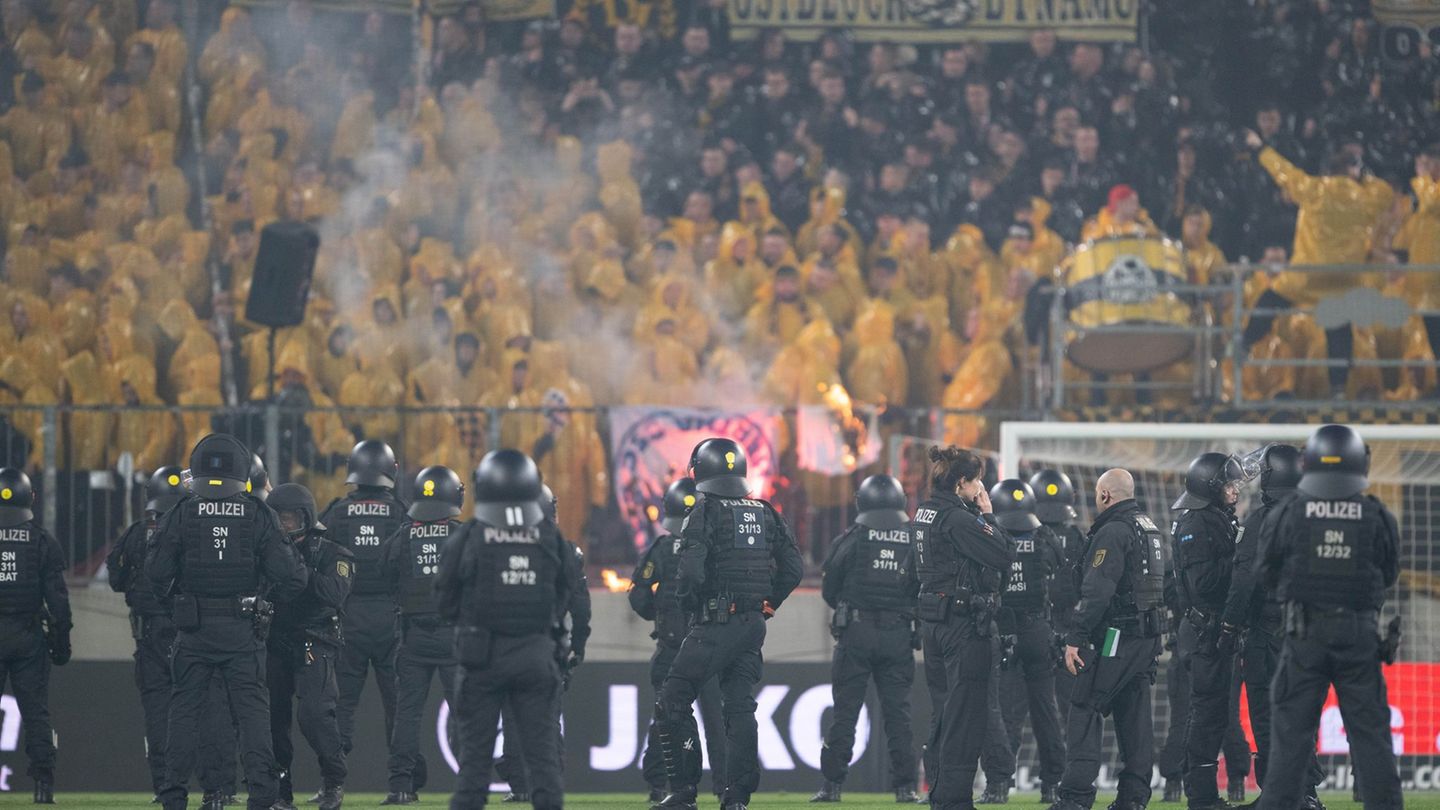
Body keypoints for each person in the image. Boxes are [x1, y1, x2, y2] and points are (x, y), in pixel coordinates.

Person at [146, 434, 308, 810]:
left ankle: (172, 797)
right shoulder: (258, 513)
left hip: (193, 630)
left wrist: (177, 603)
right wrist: (265, 601)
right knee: (253, 714)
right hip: (242, 629)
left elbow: (155, 573)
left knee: (184, 713)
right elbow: (293, 578)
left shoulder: (182, 512)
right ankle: (263, 796)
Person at [652, 438, 804, 810]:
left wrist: (691, 610)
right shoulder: (766, 511)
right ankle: (736, 800)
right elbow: (794, 569)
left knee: (672, 699)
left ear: (699, 472)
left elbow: (689, 574)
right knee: (739, 707)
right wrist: (770, 604)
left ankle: (684, 792)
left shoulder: (704, 513)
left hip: (714, 622)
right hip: (753, 624)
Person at [1257, 424, 1403, 810]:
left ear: (1308, 463)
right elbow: (1389, 574)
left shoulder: (1288, 512)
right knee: (1372, 741)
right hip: (1359, 636)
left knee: (1289, 742)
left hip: (1303, 636)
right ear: (1362, 464)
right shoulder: (1376, 514)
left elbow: (1267, 573)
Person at [437, 449, 569, 810]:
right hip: (535, 655)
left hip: (482, 658)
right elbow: (566, 591)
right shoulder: (548, 536)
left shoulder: (469, 536)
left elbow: (444, 596)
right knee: (543, 765)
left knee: (474, 768)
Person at [1050, 469, 1165, 810]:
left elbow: (1098, 591)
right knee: (1135, 714)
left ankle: (1075, 797)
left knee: (1084, 704)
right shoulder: (1150, 528)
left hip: (1116, 634)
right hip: (1147, 638)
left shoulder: (1113, 531)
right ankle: (1133, 798)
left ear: (1105, 496)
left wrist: (1077, 636)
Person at [1221, 445, 1325, 810]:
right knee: (1302, 715)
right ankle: (1306, 794)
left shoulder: (1261, 519)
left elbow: (1245, 579)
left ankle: (1280, 796)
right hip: (1310, 634)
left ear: (1270, 475)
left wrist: (1230, 623)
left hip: (1268, 634)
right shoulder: (1317, 515)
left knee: (1267, 715)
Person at [914, 446, 1015, 810]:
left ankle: (939, 790)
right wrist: (989, 517)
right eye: (976, 482)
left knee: (944, 712)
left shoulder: (925, 512)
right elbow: (1003, 555)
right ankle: (954, 799)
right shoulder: (958, 519)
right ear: (961, 482)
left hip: (934, 621)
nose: (981, 489)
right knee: (966, 714)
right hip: (962, 625)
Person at [811, 474, 920, 803]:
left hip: (856, 634)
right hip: (899, 635)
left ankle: (831, 787)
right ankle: (905, 788)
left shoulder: (852, 538)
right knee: (898, 714)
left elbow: (829, 590)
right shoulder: (913, 539)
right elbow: (922, 585)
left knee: (845, 712)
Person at [630, 478, 727, 803]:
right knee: (718, 723)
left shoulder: (660, 549)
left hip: (672, 648)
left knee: (665, 721)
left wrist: (659, 615)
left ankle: (659, 786)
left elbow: (639, 596)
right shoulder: (717, 548)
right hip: (709, 648)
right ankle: (724, 788)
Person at [494, 483, 592, 802]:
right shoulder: (567, 553)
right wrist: (578, 645)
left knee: (512, 717)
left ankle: (520, 786)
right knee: (547, 720)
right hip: (548, 646)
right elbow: (580, 607)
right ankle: (549, 785)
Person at [319, 440, 407, 763]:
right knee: (398, 705)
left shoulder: (336, 513)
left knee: (340, 705)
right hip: (391, 619)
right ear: (391, 470)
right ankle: (404, 782)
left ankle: (333, 781)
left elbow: (315, 558)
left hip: (348, 618)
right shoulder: (401, 513)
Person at [382, 465, 465, 806]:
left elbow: (384, 574)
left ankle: (401, 787)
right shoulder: (462, 535)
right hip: (454, 637)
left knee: (407, 714)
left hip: (414, 636)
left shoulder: (402, 536)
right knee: (466, 713)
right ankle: (470, 783)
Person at [265, 483, 352, 810]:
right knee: (272, 720)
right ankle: (280, 793)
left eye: (289, 519)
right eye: (279, 520)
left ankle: (334, 780)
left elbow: (334, 594)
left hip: (315, 641)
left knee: (314, 715)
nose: (284, 526)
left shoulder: (331, 552)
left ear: (304, 518)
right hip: (274, 641)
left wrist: (297, 570)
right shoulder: (265, 552)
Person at [1171, 453, 1245, 810]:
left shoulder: (1212, 519)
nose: (1235, 492)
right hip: (1205, 635)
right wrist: (1243, 556)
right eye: (1229, 485)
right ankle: (1200, 797)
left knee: (1213, 715)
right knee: (1206, 715)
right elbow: (1205, 584)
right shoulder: (1198, 524)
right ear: (1212, 488)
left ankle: (1203, 795)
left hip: (1210, 633)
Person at [106, 466, 186, 800]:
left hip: (151, 636)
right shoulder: (191, 531)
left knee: (157, 711)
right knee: (206, 708)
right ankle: (218, 789)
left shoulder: (137, 534)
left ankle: (164, 786)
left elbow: (116, 578)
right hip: (188, 634)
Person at [991, 479, 1067, 804]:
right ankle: (1052, 784)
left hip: (1006, 633)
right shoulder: (1045, 537)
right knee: (1046, 711)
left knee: (1008, 713)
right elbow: (1061, 572)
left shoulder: (992, 538)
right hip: (1039, 630)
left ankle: (998, 786)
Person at [0, 468, 70, 804]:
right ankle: (43, 786)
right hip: (28, 636)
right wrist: (62, 645)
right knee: (36, 713)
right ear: (31, 498)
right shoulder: (41, 540)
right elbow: (58, 602)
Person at [1029, 470, 1084, 720]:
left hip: (1033, 626)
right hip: (1068, 629)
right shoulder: (1077, 537)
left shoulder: (1025, 537)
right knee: (1071, 708)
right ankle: (1071, 759)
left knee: (1024, 707)